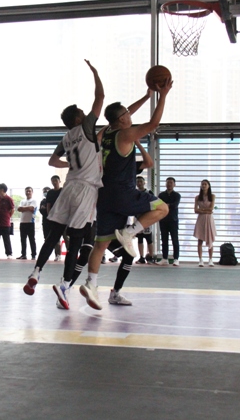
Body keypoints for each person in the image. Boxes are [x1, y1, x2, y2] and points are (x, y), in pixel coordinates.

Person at [82, 77, 172, 310]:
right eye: (126, 114)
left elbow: (123, 112)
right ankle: (129, 232)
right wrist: (162, 95)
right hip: (123, 193)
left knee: (100, 245)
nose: (130, 114)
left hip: (104, 197)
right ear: (122, 119)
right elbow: (153, 123)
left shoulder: (105, 134)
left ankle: (91, 284)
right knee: (163, 208)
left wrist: (146, 97)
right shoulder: (125, 135)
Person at [23, 59, 104, 308]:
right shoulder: (86, 127)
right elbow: (100, 97)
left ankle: (36, 272)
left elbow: (52, 161)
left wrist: (71, 165)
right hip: (85, 190)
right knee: (76, 241)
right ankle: (65, 285)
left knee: (54, 235)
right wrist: (95, 73)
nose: (85, 112)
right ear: (78, 117)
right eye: (81, 111)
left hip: (68, 188)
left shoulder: (66, 137)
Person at [193, 179, 217, 267]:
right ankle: (200, 259)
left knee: (210, 239)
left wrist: (201, 210)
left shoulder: (212, 196)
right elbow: (195, 210)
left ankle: (210, 259)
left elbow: (211, 209)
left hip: (209, 219)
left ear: (208, 186)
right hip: (201, 219)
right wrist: (205, 211)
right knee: (200, 240)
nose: (203, 186)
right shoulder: (197, 197)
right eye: (202, 184)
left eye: (205, 184)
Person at [158, 177, 181, 266]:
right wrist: (167, 205)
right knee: (164, 240)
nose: (169, 184)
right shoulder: (161, 195)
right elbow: (159, 205)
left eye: (171, 182)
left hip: (173, 220)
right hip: (163, 220)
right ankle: (164, 258)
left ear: (174, 184)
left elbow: (175, 205)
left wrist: (166, 205)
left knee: (175, 240)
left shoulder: (177, 195)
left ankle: (176, 259)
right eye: (167, 182)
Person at [134, 175, 155, 264]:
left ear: (144, 182)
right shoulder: (134, 193)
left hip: (147, 218)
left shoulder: (149, 192)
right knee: (140, 239)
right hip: (137, 217)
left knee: (149, 239)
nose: (139, 183)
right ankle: (141, 257)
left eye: (140, 181)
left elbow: (154, 204)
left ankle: (151, 256)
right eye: (137, 182)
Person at [0, 183, 14, 259]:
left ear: (2, 190)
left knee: (6, 239)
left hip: (5, 223)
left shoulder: (9, 199)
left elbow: (12, 209)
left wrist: (8, 217)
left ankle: (9, 253)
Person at [16, 186, 38, 260]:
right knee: (23, 239)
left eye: (29, 191)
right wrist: (27, 208)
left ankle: (33, 255)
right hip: (22, 222)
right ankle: (23, 254)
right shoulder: (22, 201)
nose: (28, 192)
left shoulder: (34, 201)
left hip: (30, 222)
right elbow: (19, 209)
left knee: (31, 239)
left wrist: (23, 208)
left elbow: (32, 208)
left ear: (32, 192)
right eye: (27, 191)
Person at [45, 176, 63, 261]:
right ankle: (58, 254)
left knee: (67, 237)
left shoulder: (63, 191)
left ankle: (71, 254)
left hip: (64, 216)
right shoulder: (50, 193)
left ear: (59, 181)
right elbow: (48, 205)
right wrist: (49, 216)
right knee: (56, 237)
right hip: (54, 217)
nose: (54, 182)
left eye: (56, 180)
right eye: (52, 181)